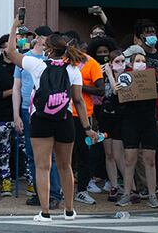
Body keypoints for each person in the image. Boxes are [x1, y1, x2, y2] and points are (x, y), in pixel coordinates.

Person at [6, 15, 98, 223]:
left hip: (41, 119)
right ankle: (69, 210)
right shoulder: (74, 69)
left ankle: (45, 212)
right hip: (65, 119)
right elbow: (78, 101)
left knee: (42, 166)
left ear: (49, 50)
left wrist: (14, 26)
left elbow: (11, 53)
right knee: (65, 166)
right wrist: (86, 127)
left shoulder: (37, 65)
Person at [12, 26, 57, 203]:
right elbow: (16, 87)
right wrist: (16, 115)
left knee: (49, 155)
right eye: (43, 37)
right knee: (31, 154)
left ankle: (53, 193)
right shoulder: (25, 59)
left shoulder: (52, 59)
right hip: (26, 110)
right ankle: (40, 193)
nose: (45, 41)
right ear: (37, 38)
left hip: (46, 110)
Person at [0, 35, 28, 197]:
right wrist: (12, 91)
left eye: (9, 45)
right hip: (2, 116)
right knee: (3, 151)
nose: (7, 48)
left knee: (26, 150)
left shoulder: (23, 67)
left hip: (22, 115)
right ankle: (5, 182)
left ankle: (32, 182)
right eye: (3, 46)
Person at [115, 52, 158, 208]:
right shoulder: (125, 78)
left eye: (143, 61)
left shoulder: (153, 78)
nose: (140, 63)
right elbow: (117, 98)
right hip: (130, 122)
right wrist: (117, 89)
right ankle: (127, 193)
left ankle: (152, 195)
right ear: (131, 63)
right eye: (137, 61)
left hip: (148, 122)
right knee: (129, 159)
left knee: (150, 160)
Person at [68, 35, 105, 205]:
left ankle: (82, 190)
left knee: (84, 154)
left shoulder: (92, 64)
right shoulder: (63, 62)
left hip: (84, 116)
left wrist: (79, 87)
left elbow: (100, 90)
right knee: (65, 155)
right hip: (64, 114)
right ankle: (63, 189)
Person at [99, 50, 128, 202]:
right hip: (105, 117)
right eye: (117, 61)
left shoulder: (127, 76)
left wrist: (111, 73)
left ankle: (131, 187)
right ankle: (114, 186)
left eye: (122, 61)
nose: (120, 64)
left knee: (119, 155)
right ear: (110, 63)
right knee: (108, 154)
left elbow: (117, 91)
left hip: (120, 118)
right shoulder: (104, 75)